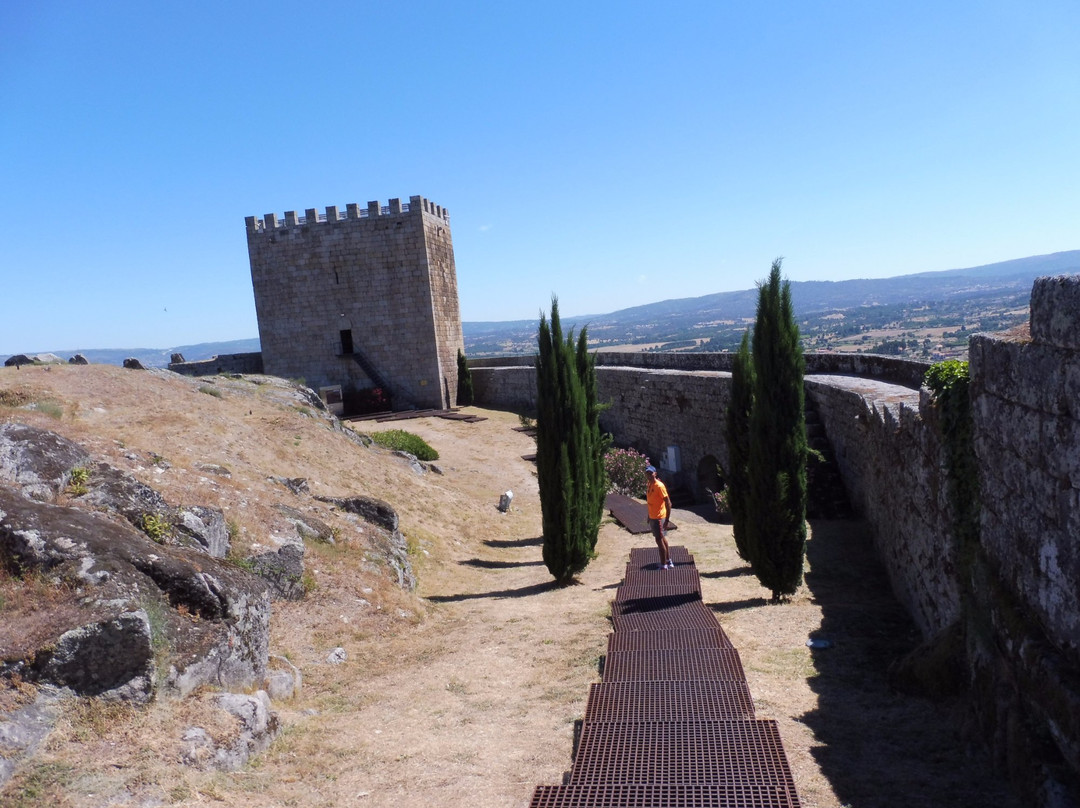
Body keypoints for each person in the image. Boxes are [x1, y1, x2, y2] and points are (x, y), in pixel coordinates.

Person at [645, 465, 674, 569]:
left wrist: (667, 520)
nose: (649, 475)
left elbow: (668, 503)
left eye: (651, 473)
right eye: (647, 473)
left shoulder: (659, 486)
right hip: (653, 516)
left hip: (658, 517)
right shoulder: (649, 484)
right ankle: (668, 561)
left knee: (659, 540)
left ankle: (663, 565)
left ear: (655, 474)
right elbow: (651, 501)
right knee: (662, 538)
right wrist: (649, 515)